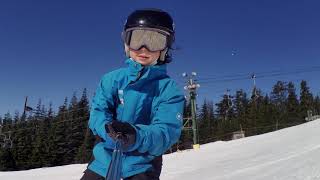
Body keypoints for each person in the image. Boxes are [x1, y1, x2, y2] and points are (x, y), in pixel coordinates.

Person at [80, 8, 185, 180]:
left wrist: (136, 136)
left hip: (143, 164)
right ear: (127, 43)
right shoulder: (111, 80)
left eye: (154, 40)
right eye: (138, 39)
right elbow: (98, 112)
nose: (144, 48)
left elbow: (167, 131)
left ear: (164, 48)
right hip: (104, 161)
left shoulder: (169, 90)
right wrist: (108, 129)